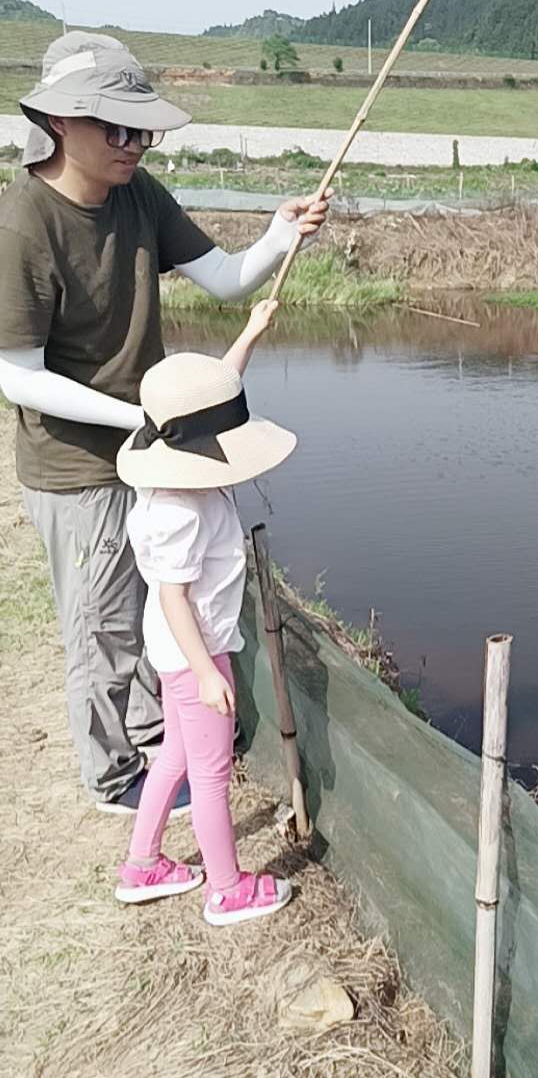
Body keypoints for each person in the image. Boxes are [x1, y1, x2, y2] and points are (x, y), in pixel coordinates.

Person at [0, 32, 331, 813]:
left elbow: (221, 279)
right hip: (79, 465)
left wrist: (281, 235)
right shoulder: (23, 226)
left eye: (141, 129)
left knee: (159, 604)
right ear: (57, 122)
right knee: (103, 623)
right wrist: (138, 417)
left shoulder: (139, 195)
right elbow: (16, 373)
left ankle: (158, 741)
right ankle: (114, 777)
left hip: (154, 448)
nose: (134, 145)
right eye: (116, 129)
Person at [113, 298, 296, 925]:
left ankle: (142, 865)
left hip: (175, 653)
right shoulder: (178, 510)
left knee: (176, 757)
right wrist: (210, 673)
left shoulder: (177, 473)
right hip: (193, 654)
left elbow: (213, 393)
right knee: (213, 775)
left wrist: (249, 331)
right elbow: (172, 596)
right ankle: (227, 887)